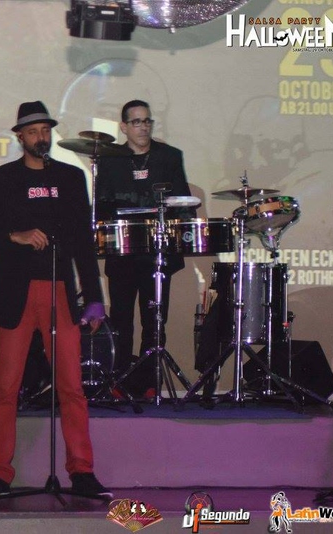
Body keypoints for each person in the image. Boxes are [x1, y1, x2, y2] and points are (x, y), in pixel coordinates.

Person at [0, 101, 111, 500]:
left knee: (72, 387)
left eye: (45, 130)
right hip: (14, 293)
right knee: (6, 388)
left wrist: (94, 298)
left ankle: (82, 472)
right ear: (19, 137)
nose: (40, 137)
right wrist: (13, 236)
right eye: (32, 132)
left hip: (59, 291)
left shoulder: (70, 177)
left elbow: (83, 244)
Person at [95, 100, 195, 394]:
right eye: (136, 122)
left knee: (154, 322)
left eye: (147, 121)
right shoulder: (110, 160)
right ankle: (119, 383)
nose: (143, 127)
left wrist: (181, 232)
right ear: (124, 127)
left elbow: (184, 202)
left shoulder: (169, 156)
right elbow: (101, 207)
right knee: (121, 321)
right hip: (123, 253)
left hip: (158, 254)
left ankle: (149, 383)